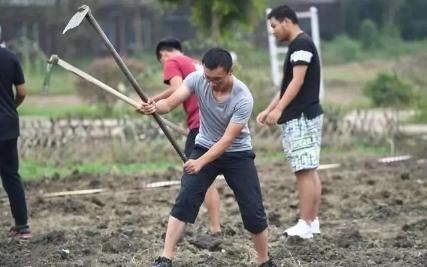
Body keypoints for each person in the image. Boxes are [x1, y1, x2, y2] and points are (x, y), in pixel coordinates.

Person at [139, 48, 276, 267]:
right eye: (208, 78)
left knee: (253, 210)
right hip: (203, 145)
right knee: (185, 199)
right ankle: (166, 257)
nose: (211, 83)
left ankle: (264, 260)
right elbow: (171, 102)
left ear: (230, 71)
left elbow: (227, 140)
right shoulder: (196, 79)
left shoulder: (243, 97)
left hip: (237, 154)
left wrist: (200, 162)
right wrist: (155, 107)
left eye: (218, 79)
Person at [257, 5, 323, 239]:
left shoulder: (301, 45)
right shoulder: (298, 46)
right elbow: (287, 85)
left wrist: (280, 109)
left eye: (274, 26)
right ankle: (312, 221)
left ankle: (305, 223)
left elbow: (297, 81)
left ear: (286, 21)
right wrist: (269, 109)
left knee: (303, 170)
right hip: (304, 114)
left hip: (301, 116)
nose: (273, 32)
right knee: (309, 169)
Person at [152, 37, 221, 235]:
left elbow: (175, 88)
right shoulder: (197, 64)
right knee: (207, 177)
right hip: (214, 122)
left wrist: (152, 102)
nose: (164, 64)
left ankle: (210, 228)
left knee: (196, 176)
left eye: (162, 60)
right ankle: (215, 227)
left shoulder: (172, 61)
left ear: (164, 54)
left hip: (200, 125)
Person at [0, 42, 31, 239]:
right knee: (11, 175)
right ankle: (22, 226)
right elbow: (22, 92)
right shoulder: (11, 57)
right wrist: (10, 107)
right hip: (8, 124)